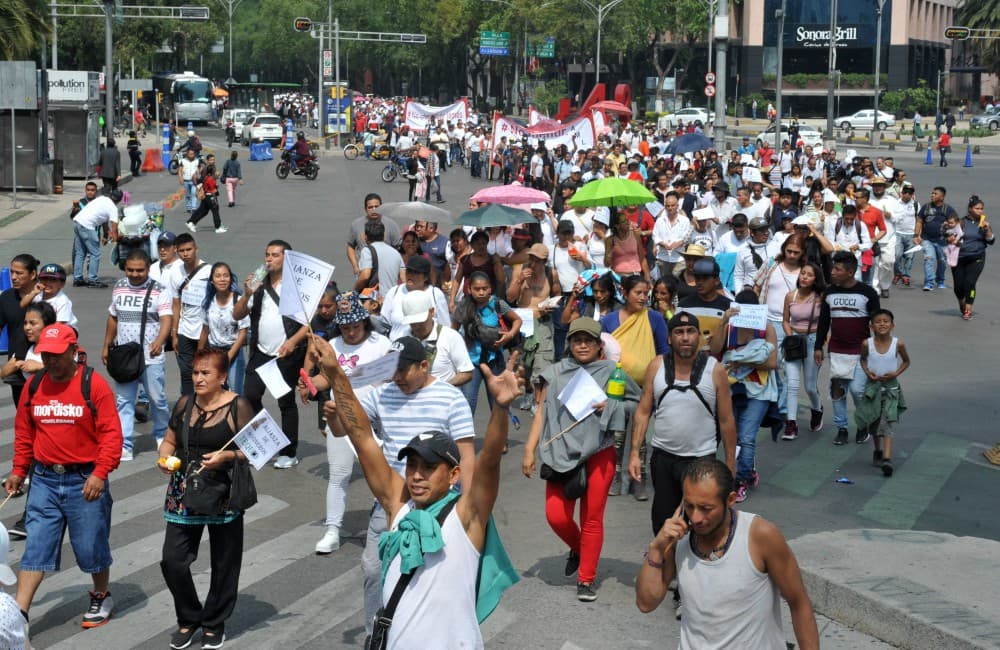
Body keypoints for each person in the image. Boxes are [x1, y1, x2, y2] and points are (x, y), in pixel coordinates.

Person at [312, 332, 519, 648]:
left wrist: (500, 410)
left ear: (452, 474)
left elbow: (488, 460)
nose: (417, 476)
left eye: (428, 467)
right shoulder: (399, 509)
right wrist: (336, 375)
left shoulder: (465, 518)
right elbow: (362, 438)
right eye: (411, 466)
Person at [5, 323, 123, 630]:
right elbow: (24, 432)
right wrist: (19, 470)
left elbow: (112, 434)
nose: (51, 361)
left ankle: (101, 594)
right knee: (36, 547)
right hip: (44, 479)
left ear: (73, 351)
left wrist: (100, 473)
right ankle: (19, 615)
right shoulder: (34, 386)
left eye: (57, 355)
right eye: (46, 355)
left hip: (84, 480)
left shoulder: (93, 385)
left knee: (90, 546)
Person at [634, 459, 820, 650]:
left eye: (706, 509)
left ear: (730, 500)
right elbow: (646, 603)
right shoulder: (677, 539)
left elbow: (799, 603)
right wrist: (656, 548)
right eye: (689, 506)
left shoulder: (760, 536)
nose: (696, 518)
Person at [522, 318, 640, 601]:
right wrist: (529, 449)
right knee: (556, 516)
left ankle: (586, 579)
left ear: (600, 345)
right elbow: (542, 413)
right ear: (569, 344)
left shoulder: (614, 371)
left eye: (589, 340)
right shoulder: (554, 373)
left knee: (592, 519)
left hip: (600, 451)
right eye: (577, 340)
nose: (583, 344)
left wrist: (611, 406)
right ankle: (579, 548)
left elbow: (637, 404)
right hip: (560, 452)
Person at [158, 349, 255, 650]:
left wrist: (228, 455)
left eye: (205, 373)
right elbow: (170, 439)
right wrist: (164, 457)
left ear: (222, 377)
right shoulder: (186, 403)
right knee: (172, 561)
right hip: (183, 492)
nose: (197, 378)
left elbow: (257, 450)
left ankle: (214, 623)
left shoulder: (238, 406)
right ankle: (189, 618)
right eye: (195, 373)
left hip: (222, 494)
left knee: (225, 564)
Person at [298, 293, 392, 556]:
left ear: (364, 322)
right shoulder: (332, 346)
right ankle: (332, 530)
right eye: (345, 327)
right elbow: (325, 380)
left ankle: (382, 525)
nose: (351, 332)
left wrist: (346, 378)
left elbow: (387, 375)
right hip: (340, 419)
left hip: (374, 420)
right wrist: (309, 384)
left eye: (356, 326)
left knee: (379, 475)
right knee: (338, 476)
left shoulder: (382, 343)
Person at [233, 240, 309, 469]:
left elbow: (309, 321)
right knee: (250, 396)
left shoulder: (296, 286)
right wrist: (246, 295)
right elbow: (237, 315)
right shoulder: (258, 283)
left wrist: (293, 342)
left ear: (287, 259)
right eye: (267, 254)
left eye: (275, 255)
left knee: (285, 401)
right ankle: (265, 442)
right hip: (260, 351)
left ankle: (289, 451)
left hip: (285, 355)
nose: (269, 259)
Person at [710, 291, 779, 503]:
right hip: (733, 389)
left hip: (759, 390)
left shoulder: (766, 328)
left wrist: (744, 363)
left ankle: (741, 481)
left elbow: (772, 362)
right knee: (734, 436)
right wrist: (723, 322)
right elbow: (714, 350)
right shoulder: (730, 326)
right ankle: (746, 470)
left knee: (747, 436)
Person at [103, 250, 172, 461]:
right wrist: (107, 345)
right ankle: (125, 443)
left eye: (139, 270)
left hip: (151, 356)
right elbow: (113, 318)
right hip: (125, 356)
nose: (134, 274)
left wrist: (160, 341)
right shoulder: (119, 287)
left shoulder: (159, 290)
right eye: (130, 270)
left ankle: (163, 435)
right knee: (124, 401)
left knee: (157, 398)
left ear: (148, 268)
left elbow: (166, 319)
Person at [814, 251, 880, 446]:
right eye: (833, 268)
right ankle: (841, 428)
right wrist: (818, 346)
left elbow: (878, 322)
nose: (832, 272)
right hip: (836, 351)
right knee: (837, 391)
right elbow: (824, 321)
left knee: (858, 391)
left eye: (837, 269)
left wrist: (878, 348)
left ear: (850, 272)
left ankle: (862, 426)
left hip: (861, 351)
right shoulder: (829, 293)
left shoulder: (867, 293)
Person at [452, 272, 522, 417]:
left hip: (495, 360)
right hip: (471, 361)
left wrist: (509, 335)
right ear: (470, 289)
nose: (481, 292)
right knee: (468, 402)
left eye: (484, 288)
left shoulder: (497, 304)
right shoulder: (464, 306)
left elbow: (517, 320)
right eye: (477, 289)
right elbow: (452, 331)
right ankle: (464, 436)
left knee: (497, 402)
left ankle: (501, 438)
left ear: (490, 288)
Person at [856, 310, 910, 477]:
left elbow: (906, 361)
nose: (882, 324)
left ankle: (887, 459)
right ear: (872, 326)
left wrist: (896, 374)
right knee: (874, 421)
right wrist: (867, 372)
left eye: (886, 321)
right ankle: (878, 450)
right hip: (873, 388)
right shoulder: (867, 344)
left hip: (891, 389)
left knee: (887, 424)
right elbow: (863, 359)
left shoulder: (898, 344)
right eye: (878, 321)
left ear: (892, 325)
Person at [781, 262, 825, 439]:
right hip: (794, 342)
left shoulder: (820, 297)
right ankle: (791, 424)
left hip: (813, 340)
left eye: (810, 275)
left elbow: (825, 322)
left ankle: (817, 409)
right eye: (803, 274)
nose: (805, 277)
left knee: (810, 386)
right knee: (792, 383)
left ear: (816, 279)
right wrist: (790, 334)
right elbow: (785, 320)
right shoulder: (790, 296)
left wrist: (820, 345)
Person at [398, 290, 473, 386]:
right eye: (412, 323)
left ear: (432, 312)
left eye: (421, 322)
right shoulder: (402, 337)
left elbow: (467, 373)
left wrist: (441, 388)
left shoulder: (451, 336)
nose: (416, 326)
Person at [168, 234, 211, 397]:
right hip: (184, 330)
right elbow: (176, 304)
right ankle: (187, 408)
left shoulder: (209, 270)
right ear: (177, 252)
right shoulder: (175, 273)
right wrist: (174, 333)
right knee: (186, 374)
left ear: (196, 249)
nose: (186, 254)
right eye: (182, 251)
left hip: (205, 331)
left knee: (207, 372)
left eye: (189, 250)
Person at [199, 262, 249, 394]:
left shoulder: (238, 301)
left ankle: (238, 414)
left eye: (226, 276)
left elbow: (243, 333)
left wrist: (228, 357)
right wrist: (199, 355)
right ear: (212, 281)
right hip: (214, 352)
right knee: (215, 391)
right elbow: (205, 330)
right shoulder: (208, 302)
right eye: (218, 276)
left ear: (230, 279)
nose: (222, 279)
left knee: (235, 392)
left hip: (233, 352)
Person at [380, 256, 451, 341]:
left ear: (425, 277)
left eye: (416, 272)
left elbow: (445, 325)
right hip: (396, 348)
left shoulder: (435, 294)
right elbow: (384, 323)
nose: (410, 275)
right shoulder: (394, 291)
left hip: (426, 349)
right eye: (409, 271)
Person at [952, 195, 994, 320]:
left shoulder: (984, 223)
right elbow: (949, 237)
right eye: (977, 208)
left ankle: (968, 310)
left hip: (977, 257)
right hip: (959, 257)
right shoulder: (961, 222)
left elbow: (991, 241)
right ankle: (962, 302)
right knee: (959, 286)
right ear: (970, 209)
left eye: (982, 209)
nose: (980, 211)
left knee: (970, 283)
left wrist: (987, 230)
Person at [678, 258, 733, 352]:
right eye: (697, 278)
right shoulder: (684, 304)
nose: (700, 282)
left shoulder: (728, 306)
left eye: (705, 278)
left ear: (716, 281)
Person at [72, 189, 122, 288]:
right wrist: (116, 240)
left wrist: (106, 234)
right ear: (118, 201)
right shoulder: (113, 208)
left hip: (77, 222)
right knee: (95, 253)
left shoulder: (102, 199)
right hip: (87, 226)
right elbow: (114, 226)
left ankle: (77, 278)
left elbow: (104, 220)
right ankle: (92, 279)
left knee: (80, 253)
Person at [347, 194, 403, 278]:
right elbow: (350, 246)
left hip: (385, 273)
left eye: (377, 206)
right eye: (370, 207)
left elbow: (399, 248)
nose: (374, 210)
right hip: (363, 272)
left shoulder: (391, 225)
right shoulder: (356, 225)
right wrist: (355, 266)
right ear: (365, 209)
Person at [914, 186, 958, 291]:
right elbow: (919, 221)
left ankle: (940, 280)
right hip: (927, 239)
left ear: (942, 197)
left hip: (942, 241)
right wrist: (916, 235)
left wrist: (952, 235)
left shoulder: (948, 209)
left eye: (935, 194)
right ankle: (929, 282)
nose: (932, 195)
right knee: (929, 258)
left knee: (942, 261)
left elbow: (956, 224)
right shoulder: (926, 207)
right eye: (932, 193)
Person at [20, 263, 77, 328]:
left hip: (64, 330)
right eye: (44, 279)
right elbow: (22, 305)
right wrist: (33, 292)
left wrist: (43, 332)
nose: (48, 282)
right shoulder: (37, 294)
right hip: (43, 327)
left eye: (53, 280)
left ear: (62, 284)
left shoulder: (63, 301)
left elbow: (59, 324)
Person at [356, 220, 404, 293]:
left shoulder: (367, 251)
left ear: (365, 237)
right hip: (392, 298)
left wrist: (355, 290)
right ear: (384, 235)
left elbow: (365, 275)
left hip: (375, 300)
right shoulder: (395, 252)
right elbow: (404, 278)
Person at [186, 162, 227, 234]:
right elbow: (213, 190)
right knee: (215, 211)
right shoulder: (211, 179)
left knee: (203, 211)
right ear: (212, 171)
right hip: (210, 197)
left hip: (206, 196)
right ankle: (218, 227)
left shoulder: (206, 177)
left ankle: (191, 222)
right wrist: (216, 190)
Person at [178, 149, 201, 213]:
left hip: (194, 181)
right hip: (186, 180)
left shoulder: (197, 161)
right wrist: (180, 178)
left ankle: (194, 208)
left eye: (193, 154)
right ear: (187, 154)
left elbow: (200, 169)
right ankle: (188, 207)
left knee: (194, 193)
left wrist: (199, 176)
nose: (192, 155)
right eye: (190, 154)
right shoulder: (183, 161)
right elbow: (180, 170)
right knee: (188, 195)